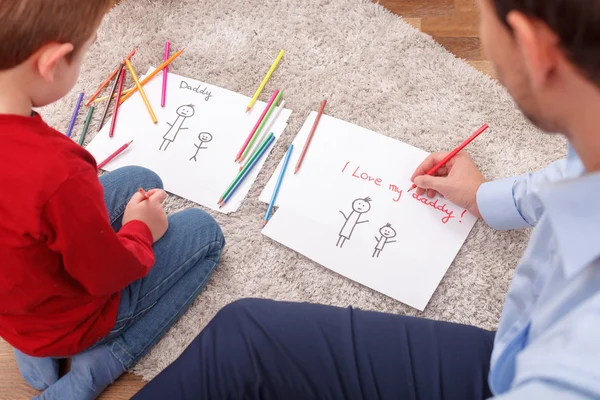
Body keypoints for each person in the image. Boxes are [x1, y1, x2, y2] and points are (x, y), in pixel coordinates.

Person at [134, 0, 600, 398]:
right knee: (244, 334)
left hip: (530, 371)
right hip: (522, 350)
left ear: (532, 46)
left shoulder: (568, 365)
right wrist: (489, 198)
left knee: (244, 343)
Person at [0, 2, 224, 399]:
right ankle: (97, 367)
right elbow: (106, 275)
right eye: (87, 49)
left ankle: (33, 353)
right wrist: (140, 230)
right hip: (73, 321)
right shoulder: (58, 171)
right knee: (205, 234)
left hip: (16, 308)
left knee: (143, 178)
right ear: (51, 63)